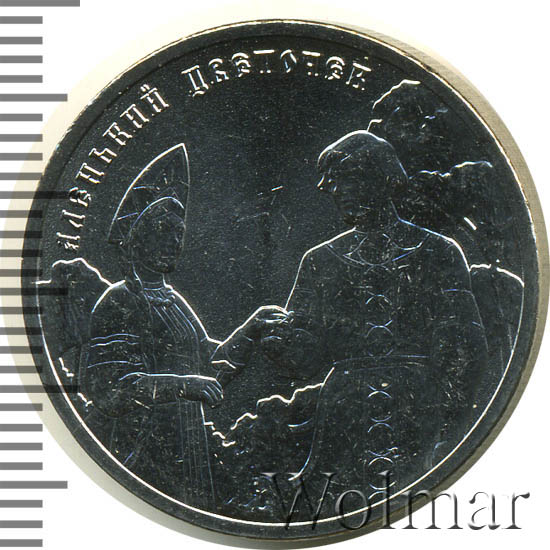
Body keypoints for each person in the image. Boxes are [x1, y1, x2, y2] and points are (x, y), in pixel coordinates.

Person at [261, 131, 488, 500]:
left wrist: (452, 425)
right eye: (332, 183)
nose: (336, 190)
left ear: (381, 177)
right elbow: (305, 359)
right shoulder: (319, 261)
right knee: (332, 503)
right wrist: (281, 345)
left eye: (347, 178)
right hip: (342, 415)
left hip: (420, 408)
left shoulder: (438, 252)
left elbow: (465, 348)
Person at [83, 144, 275, 510]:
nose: (174, 241)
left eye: (179, 232)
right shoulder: (119, 300)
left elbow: (211, 366)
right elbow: (111, 389)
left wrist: (251, 329)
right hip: (139, 451)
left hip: (188, 447)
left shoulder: (172, 299)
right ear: (137, 236)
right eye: (163, 231)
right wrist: (184, 385)